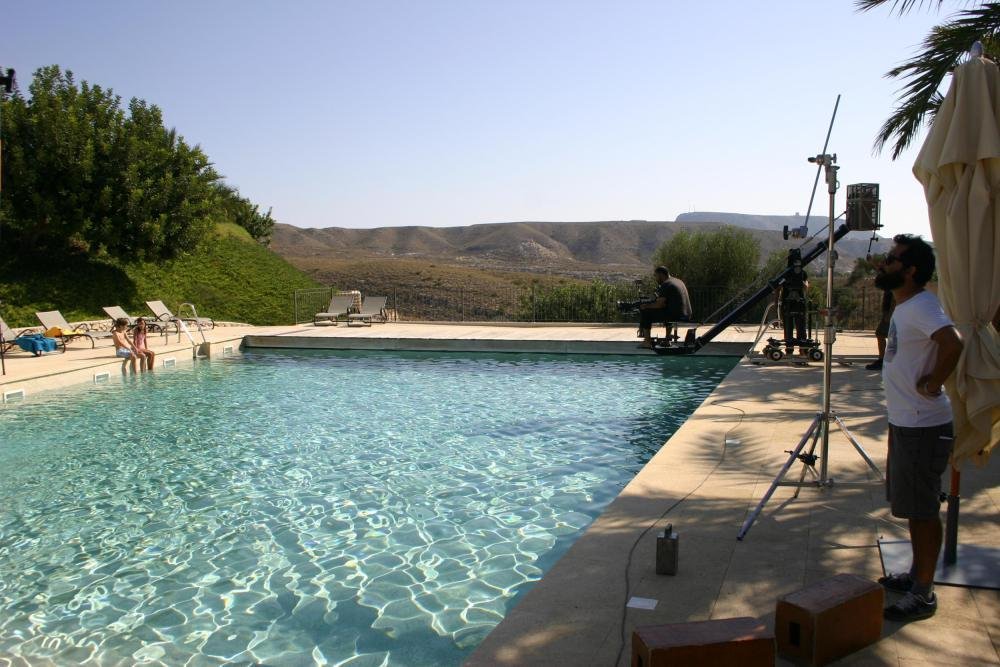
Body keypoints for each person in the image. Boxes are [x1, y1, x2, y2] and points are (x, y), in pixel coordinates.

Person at [875, 234, 963, 623]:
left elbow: (953, 342)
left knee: (924, 510)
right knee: (913, 507)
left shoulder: (923, 306)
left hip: (923, 425)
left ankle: (924, 594)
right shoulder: (906, 305)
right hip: (906, 422)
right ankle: (915, 576)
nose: (884, 264)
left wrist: (932, 382)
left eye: (892, 260)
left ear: (910, 271)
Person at [638, 266, 692, 349]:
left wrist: (646, 306)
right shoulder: (678, 281)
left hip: (676, 315)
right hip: (686, 313)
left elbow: (660, 304)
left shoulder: (666, 284)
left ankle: (647, 342)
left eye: (656, 276)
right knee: (666, 311)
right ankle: (667, 341)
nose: (655, 278)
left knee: (646, 312)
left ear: (661, 274)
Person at [778, 250, 809, 355]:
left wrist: (804, 284)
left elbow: (806, 286)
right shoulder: (785, 274)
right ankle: (789, 350)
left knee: (801, 327)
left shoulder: (803, 273)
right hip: (787, 303)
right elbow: (779, 286)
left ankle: (803, 350)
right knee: (788, 327)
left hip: (799, 303)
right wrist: (777, 300)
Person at [867, 287, 895, 371]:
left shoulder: (894, 285)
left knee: (881, 334)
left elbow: (895, 300)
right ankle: (885, 359)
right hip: (890, 314)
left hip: (891, 315)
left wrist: (890, 315)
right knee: (883, 334)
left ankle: (883, 360)